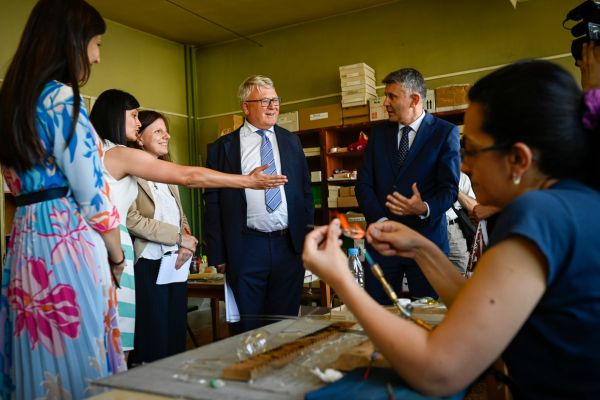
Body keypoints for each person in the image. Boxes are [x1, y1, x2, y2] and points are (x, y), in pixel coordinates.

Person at [303, 60, 600, 398]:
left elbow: (439, 371)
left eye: (471, 149)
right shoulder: (577, 202)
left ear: (518, 160)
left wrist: (341, 278)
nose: (466, 165)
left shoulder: (539, 215)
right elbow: (481, 307)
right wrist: (423, 248)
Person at [90, 89, 287, 353]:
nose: (138, 123)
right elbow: (190, 176)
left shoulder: (99, 153)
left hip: (118, 246)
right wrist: (247, 181)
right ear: (115, 115)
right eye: (134, 115)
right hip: (119, 249)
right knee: (121, 345)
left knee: (117, 340)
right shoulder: (120, 154)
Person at [0, 0, 127, 398]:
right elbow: (92, 194)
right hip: (66, 246)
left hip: (24, 245)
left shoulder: (10, 104)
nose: (97, 57)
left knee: (34, 364)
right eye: (97, 44)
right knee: (79, 366)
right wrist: (117, 254)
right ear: (72, 43)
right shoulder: (62, 99)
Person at [204, 75, 314, 333]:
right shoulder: (223, 148)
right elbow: (213, 202)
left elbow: (305, 194)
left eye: (275, 100)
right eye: (264, 100)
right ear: (245, 106)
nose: (273, 106)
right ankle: (248, 372)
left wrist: (307, 241)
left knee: (284, 325)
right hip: (245, 247)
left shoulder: (291, 141)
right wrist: (218, 254)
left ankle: (278, 372)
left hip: (288, 245)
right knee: (246, 327)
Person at [355, 68, 460, 301]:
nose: (385, 103)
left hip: (426, 241)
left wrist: (424, 208)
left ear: (414, 99)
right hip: (383, 243)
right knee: (379, 315)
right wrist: (382, 222)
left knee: (428, 317)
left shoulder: (445, 133)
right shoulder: (379, 133)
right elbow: (363, 184)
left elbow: (449, 189)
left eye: (392, 96)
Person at [125, 110, 197, 365]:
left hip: (175, 263)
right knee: (153, 336)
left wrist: (187, 241)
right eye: (158, 130)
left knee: (175, 333)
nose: (166, 136)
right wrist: (179, 237)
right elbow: (131, 219)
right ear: (139, 138)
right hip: (147, 261)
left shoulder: (168, 172)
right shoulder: (129, 173)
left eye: (166, 130)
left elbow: (180, 215)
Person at [445, 171, 475, 274]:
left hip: (454, 229)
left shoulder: (462, 177)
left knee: (460, 269)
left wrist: (454, 188)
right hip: (429, 228)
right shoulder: (423, 173)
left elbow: (473, 207)